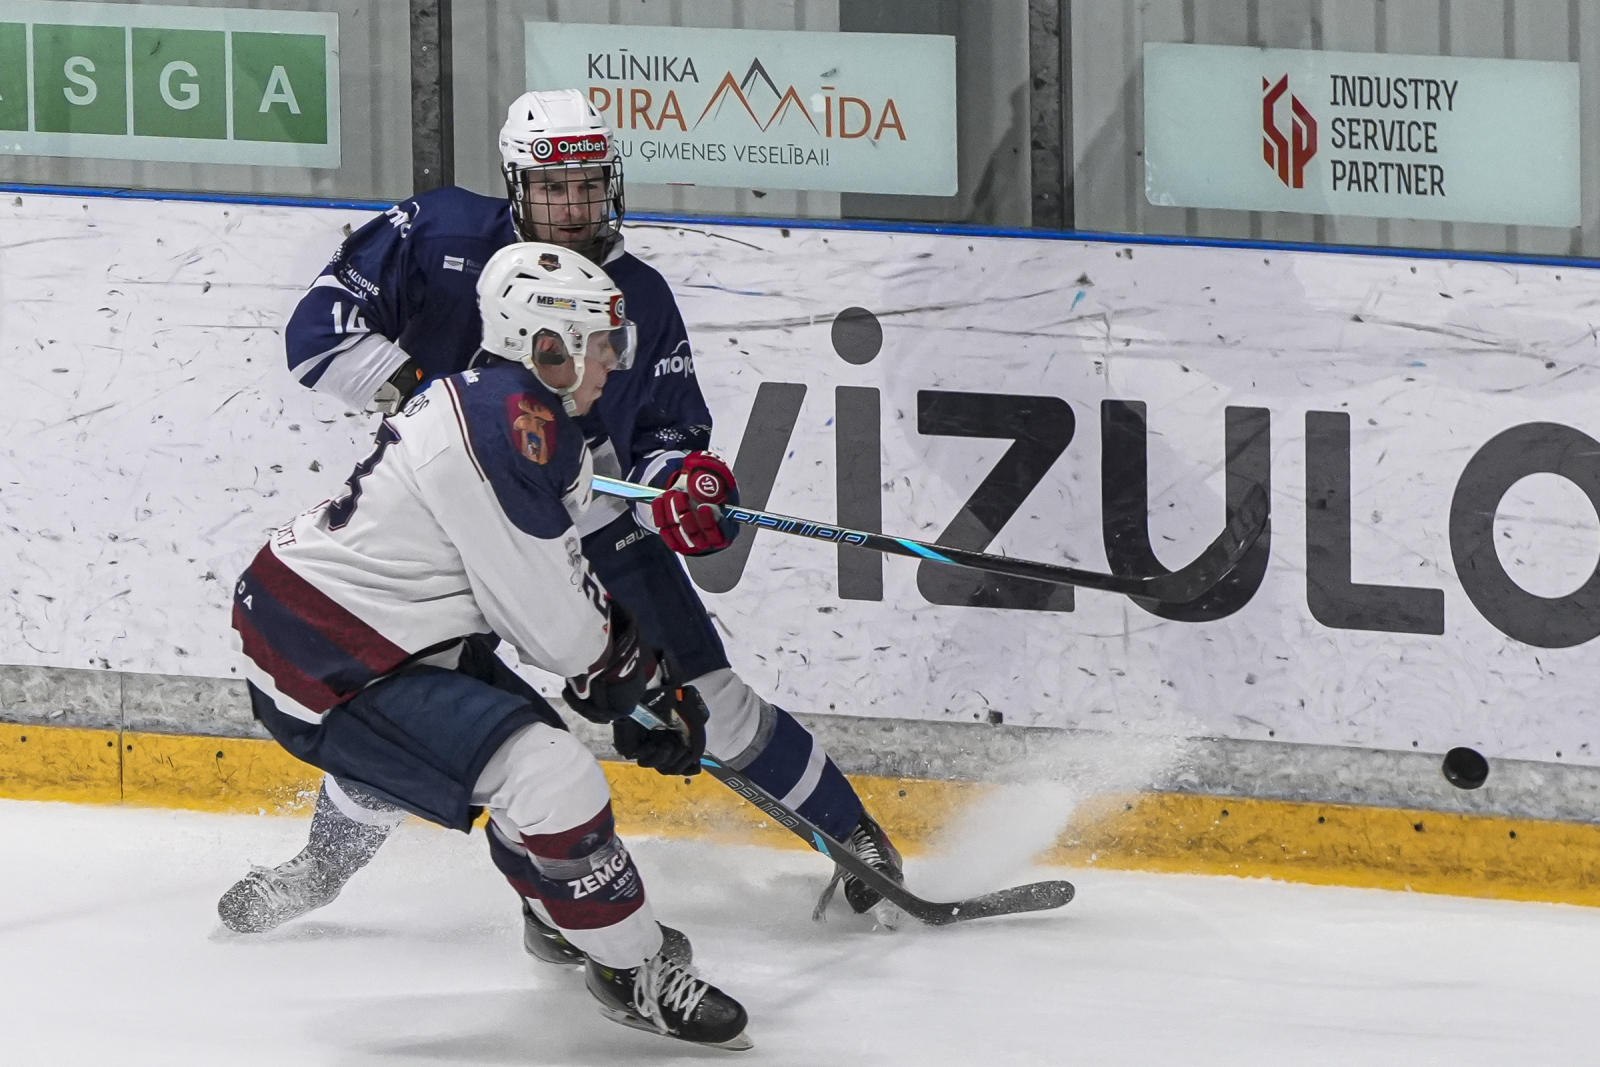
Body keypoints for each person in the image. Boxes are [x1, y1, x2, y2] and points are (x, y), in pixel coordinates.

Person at [221, 89, 905, 940]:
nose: (573, 206)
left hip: (590, 523)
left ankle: (856, 839)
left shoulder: (639, 296)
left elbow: (665, 435)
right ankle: (320, 868)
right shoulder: (439, 235)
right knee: (409, 701)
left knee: (712, 703)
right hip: (450, 527)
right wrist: (432, 400)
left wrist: (679, 488)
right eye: (552, 187)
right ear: (516, 185)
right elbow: (319, 333)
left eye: (587, 185)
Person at [228, 243, 751, 1050]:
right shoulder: (513, 430)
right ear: (548, 346)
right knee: (549, 773)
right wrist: (634, 683)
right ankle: (632, 969)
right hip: (329, 648)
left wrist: (631, 682)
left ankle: (562, 915)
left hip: (374, 628)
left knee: (522, 764)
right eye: (600, 343)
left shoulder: (511, 411)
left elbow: (554, 591)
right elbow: (553, 624)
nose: (614, 360)